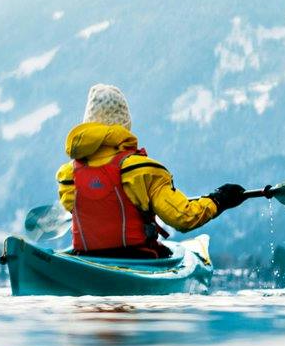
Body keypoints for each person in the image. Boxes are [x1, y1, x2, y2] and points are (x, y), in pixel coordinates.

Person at [56, 84, 246, 258]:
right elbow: (183, 218)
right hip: (139, 258)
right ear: (124, 124)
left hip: (86, 260)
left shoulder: (68, 176)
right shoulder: (141, 171)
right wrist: (219, 199)